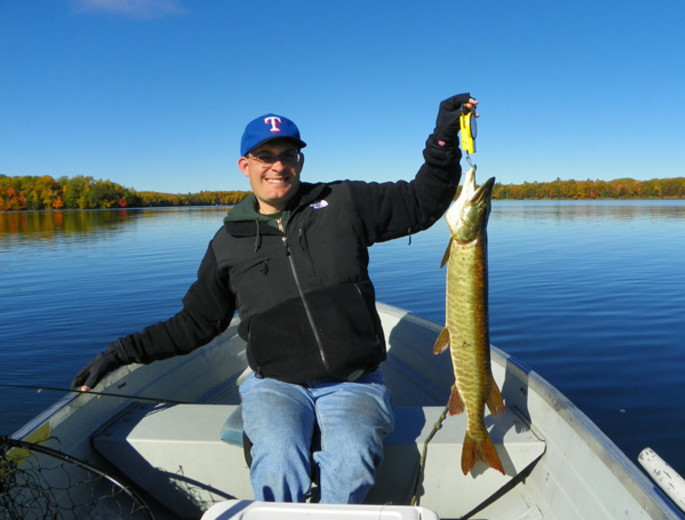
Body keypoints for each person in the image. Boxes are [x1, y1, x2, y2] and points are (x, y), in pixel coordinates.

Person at [71, 93, 479, 504]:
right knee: (278, 459)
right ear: (245, 166)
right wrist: (120, 352)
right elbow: (194, 324)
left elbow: (422, 203)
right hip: (276, 385)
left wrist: (444, 137)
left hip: (353, 381)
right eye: (265, 156)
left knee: (352, 458)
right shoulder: (227, 242)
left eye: (288, 154)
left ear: (300, 161)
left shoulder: (344, 203)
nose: (278, 166)